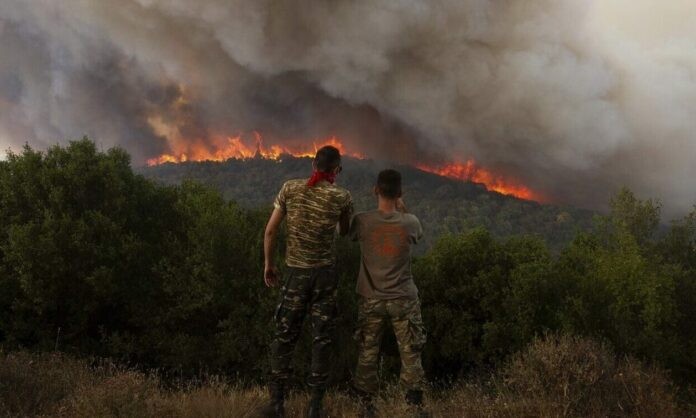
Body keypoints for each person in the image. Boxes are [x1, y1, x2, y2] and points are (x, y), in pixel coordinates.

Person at [262, 145, 353, 418]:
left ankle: (277, 404)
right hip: (324, 277)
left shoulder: (289, 189)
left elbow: (270, 231)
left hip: (294, 274)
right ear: (335, 170)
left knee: (284, 337)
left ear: (314, 166)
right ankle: (315, 407)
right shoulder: (342, 196)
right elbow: (344, 231)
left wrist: (269, 264)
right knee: (321, 339)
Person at [350, 169, 428, 418]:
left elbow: (347, 233)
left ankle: (365, 407)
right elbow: (416, 234)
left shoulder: (362, 221)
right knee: (410, 351)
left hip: (371, 298)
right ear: (400, 193)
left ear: (376, 190)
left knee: (368, 350)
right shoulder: (410, 222)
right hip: (403, 299)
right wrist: (402, 209)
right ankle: (414, 407)